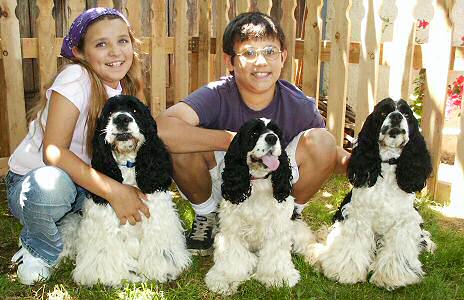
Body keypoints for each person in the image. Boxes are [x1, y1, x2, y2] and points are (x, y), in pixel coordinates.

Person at [156, 12, 350, 256]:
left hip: (271, 185)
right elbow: (162, 129)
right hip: (226, 180)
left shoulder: (297, 103)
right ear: (230, 61)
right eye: (248, 53)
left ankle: (287, 216)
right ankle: (207, 215)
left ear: (283, 58)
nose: (261, 62)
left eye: (270, 52)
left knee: (323, 141)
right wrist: (233, 141)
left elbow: (329, 151)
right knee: (181, 142)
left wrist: (361, 161)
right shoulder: (216, 94)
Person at [6, 8, 149, 285]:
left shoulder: (125, 86)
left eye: (122, 41)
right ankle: (39, 247)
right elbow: (53, 153)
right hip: (35, 183)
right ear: (80, 53)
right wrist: (114, 191)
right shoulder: (75, 77)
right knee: (53, 186)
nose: (115, 52)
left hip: (83, 180)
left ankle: (76, 232)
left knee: (129, 203)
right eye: (101, 44)